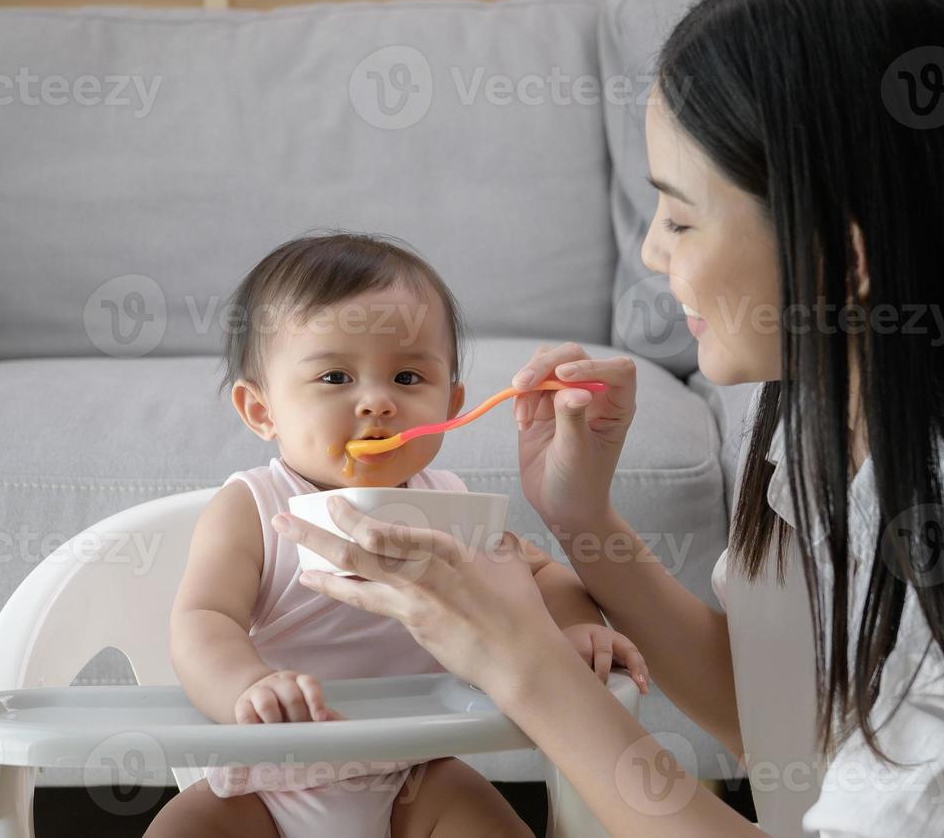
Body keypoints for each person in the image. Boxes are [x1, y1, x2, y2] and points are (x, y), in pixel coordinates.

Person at [279, 0, 944, 835]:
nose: (648, 253)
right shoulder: (828, 399)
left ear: (840, 255)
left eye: (679, 220)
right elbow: (789, 723)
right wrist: (583, 522)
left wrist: (522, 664)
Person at [145, 231, 646, 838]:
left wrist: (574, 628)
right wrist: (246, 687)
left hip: (416, 775)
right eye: (335, 377)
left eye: (409, 378)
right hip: (271, 780)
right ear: (261, 410)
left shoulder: (449, 504)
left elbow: (536, 574)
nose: (378, 402)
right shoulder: (253, 506)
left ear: (452, 401)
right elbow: (202, 619)